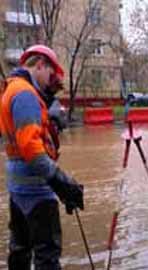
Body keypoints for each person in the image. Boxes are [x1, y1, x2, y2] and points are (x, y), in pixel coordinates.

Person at [0, 45, 84, 270]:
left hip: (18, 190)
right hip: (36, 192)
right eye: (50, 74)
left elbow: (24, 139)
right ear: (39, 65)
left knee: (19, 252)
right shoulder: (26, 95)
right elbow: (33, 152)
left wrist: (50, 119)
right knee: (47, 258)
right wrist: (63, 184)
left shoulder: (13, 89)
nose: (52, 81)